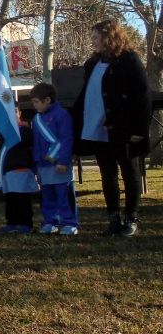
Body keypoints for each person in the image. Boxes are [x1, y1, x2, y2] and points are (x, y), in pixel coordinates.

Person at [73, 18, 151, 237]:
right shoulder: (92, 63)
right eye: (92, 37)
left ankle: (131, 218)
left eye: (96, 37)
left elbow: (142, 97)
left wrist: (139, 130)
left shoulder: (129, 60)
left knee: (129, 171)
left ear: (110, 37)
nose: (93, 41)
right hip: (98, 127)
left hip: (123, 128)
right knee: (107, 173)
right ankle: (114, 218)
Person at [31, 83, 79, 236]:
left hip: (58, 163)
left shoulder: (62, 115)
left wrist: (63, 161)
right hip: (43, 164)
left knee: (63, 195)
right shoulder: (37, 119)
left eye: (36, 102)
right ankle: (50, 222)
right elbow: (36, 142)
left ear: (47, 100)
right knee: (48, 196)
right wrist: (36, 163)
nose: (34, 105)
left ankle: (69, 222)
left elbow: (66, 139)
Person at [0, 107, 38, 234]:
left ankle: (26, 223)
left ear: (19, 113)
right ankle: (12, 222)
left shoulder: (25, 131)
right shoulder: (2, 133)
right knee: (11, 198)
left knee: (23, 198)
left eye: (14, 112)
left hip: (21, 169)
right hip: (7, 171)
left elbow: (23, 142)